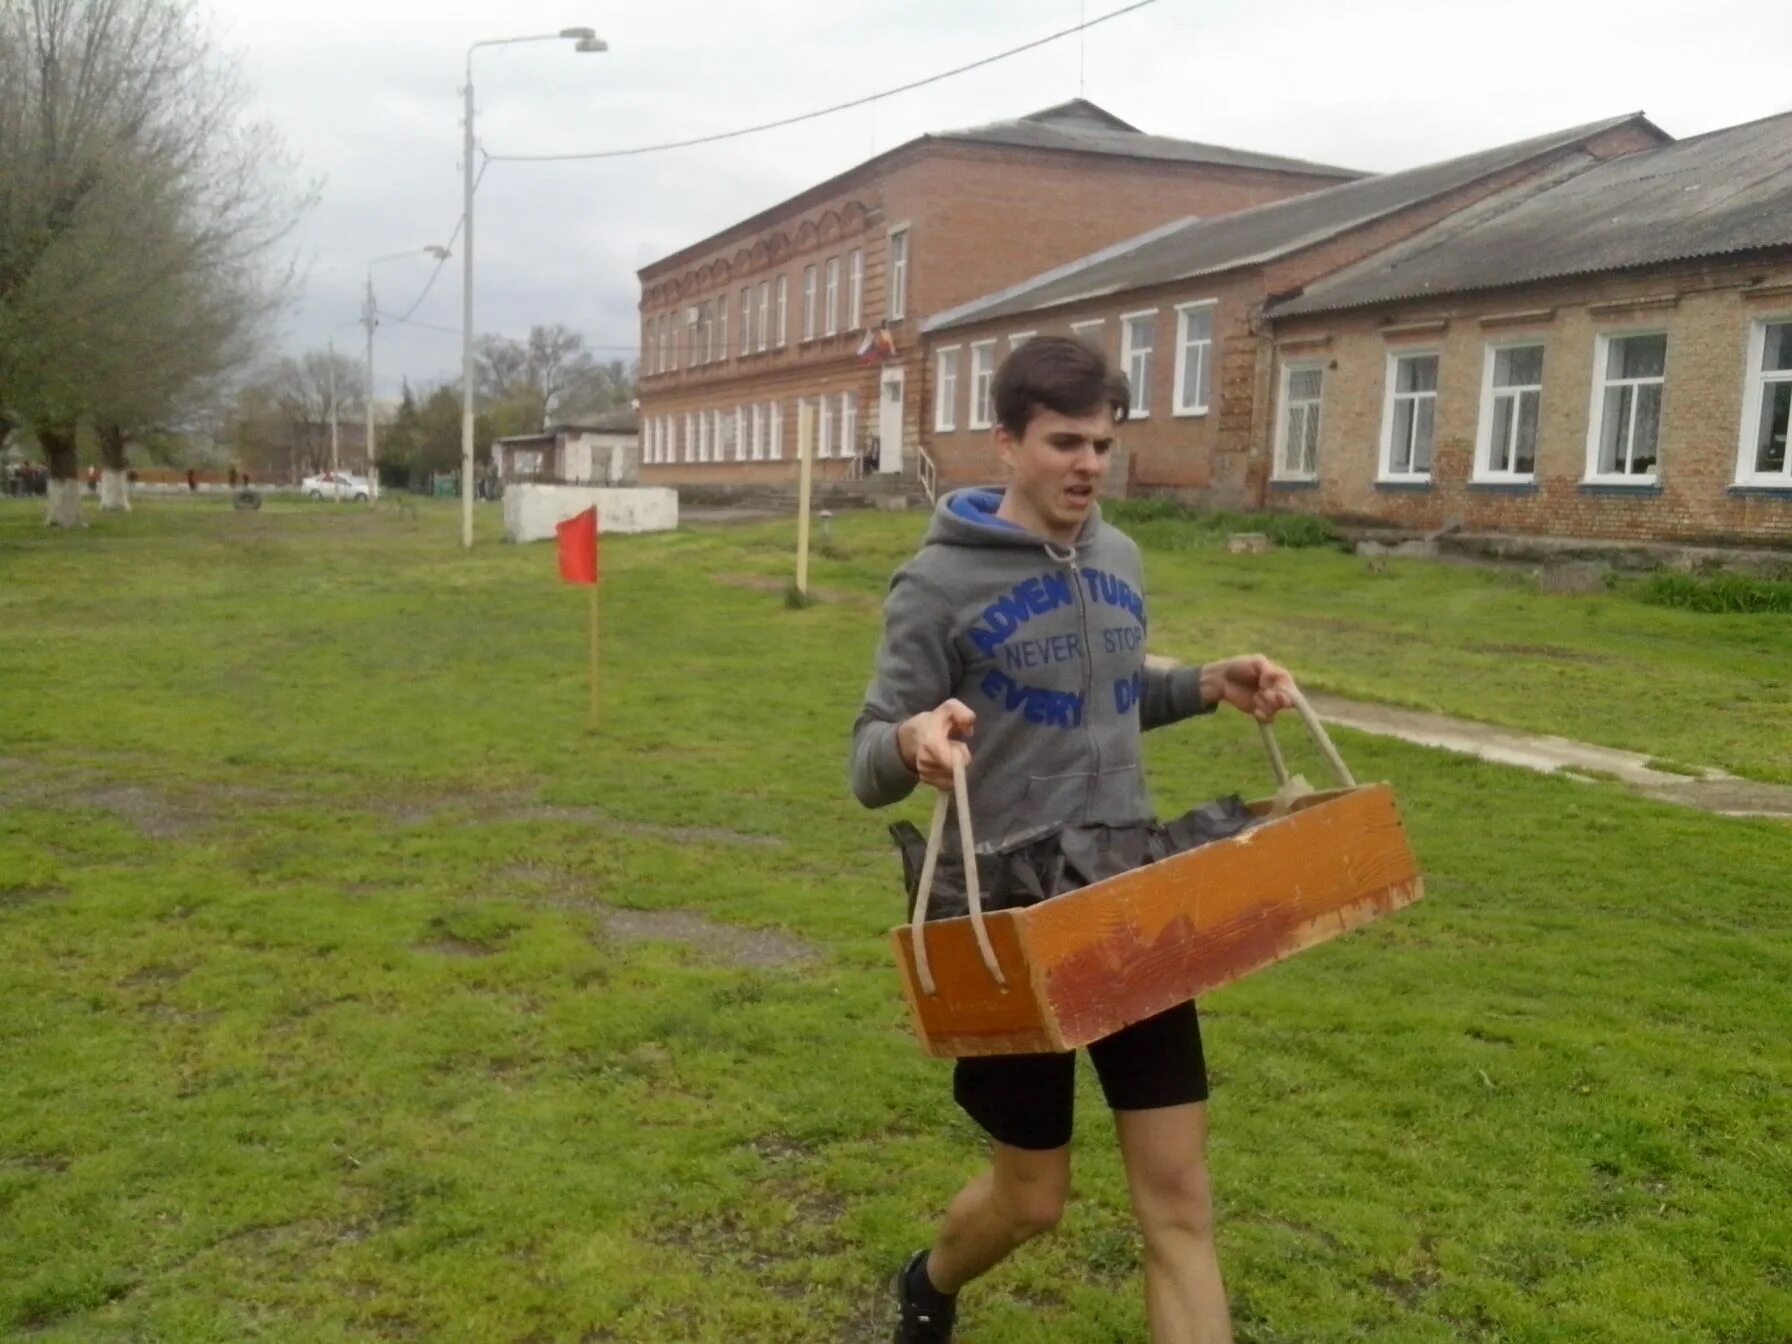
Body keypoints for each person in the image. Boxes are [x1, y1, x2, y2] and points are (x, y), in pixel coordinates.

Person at [850, 336, 1296, 1344]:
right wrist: (912, 740)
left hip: (1128, 900)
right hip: (1005, 920)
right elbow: (863, 756)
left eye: (1101, 441)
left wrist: (1201, 684)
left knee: (1179, 1203)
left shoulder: (1120, 557)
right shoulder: (934, 584)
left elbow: (1096, 695)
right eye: (1063, 442)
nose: (1088, 463)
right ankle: (929, 1283)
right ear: (1006, 442)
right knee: (1032, 1200)